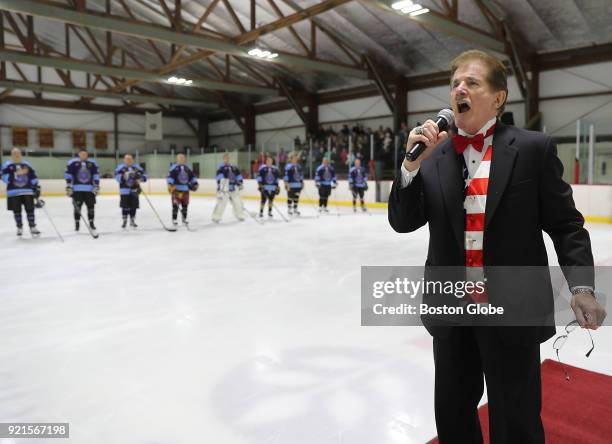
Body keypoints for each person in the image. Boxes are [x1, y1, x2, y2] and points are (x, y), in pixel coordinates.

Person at [388, 49, 606, 443]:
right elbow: (403, 223)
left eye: (471, 82)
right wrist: (409, 168)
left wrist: (582, 287)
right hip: (451, 309)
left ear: (498, 97)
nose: (459, 88)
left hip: (512, 308)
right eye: (455, 83)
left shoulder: (532, 149)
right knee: (453, 415)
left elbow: (566, 225)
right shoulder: (434, 157)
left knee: (515, 418)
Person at [1, 147, 40, 237]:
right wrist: (15, 175)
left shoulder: (27, 164)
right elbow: (3, 176)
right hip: (13, 192)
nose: (16, 155)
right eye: (14, 153)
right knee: (17, 211)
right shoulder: (7, 165)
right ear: (11, 155)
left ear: (21, 154)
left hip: (27, 191)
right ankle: (19, 227)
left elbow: (33, 176)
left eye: (18, 153)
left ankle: (32, 227)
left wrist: (36, 187)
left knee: (30, 210)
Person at [65, 147, 100, 233]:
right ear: (79, 154)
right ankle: (77, 223)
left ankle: (91, 222)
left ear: (87, 155)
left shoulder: (92, 163)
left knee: (91, 207)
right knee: (77, 208)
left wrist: (96, 185)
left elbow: (96, 175)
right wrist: (69, 185)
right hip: (77, 190)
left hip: (89, 189)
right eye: (82, 154)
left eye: (85, 154)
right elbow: (68, 174)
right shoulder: (72, 163)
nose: (84, 155)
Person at [115, 154, 147, 228]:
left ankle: (132, 220)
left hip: (134, 190)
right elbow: (117, 178)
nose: (128, 160)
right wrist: (124, 176)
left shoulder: (137, 167)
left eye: (130, 159)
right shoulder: (120, 168)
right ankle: (124, 221)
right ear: (124, 160)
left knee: (134, 206)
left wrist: (141, 179)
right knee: (125, 206)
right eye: (127, 159)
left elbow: (145, 176)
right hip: (124, 190)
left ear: (132, 160)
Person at [167, 153, 199, 227]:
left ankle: (184, 219)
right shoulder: (173, 167)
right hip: (176, 190)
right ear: (177, 159)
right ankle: (174, 219)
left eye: (182, 158)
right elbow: (170, 176)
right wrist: (170, 184)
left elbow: (192, 177)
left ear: (184, 159)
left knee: (185, 206)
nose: (181, 159)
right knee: (175, 206)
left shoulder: (188, 168)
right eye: (179, 158)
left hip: (186, 190)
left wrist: (195, 183)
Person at [212, 153, 245, 223]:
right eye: (225, 158)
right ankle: (216, 217)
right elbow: (219, 178)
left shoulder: (234, 167)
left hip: (233, 188)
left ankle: (240, 215)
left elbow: (239, 176)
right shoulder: (220, 167)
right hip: (224, 189)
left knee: (238, 202)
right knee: (221, 203)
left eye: (228, 158)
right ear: (223, 159)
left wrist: (240, 182)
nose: (227, 159)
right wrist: (228, 181)